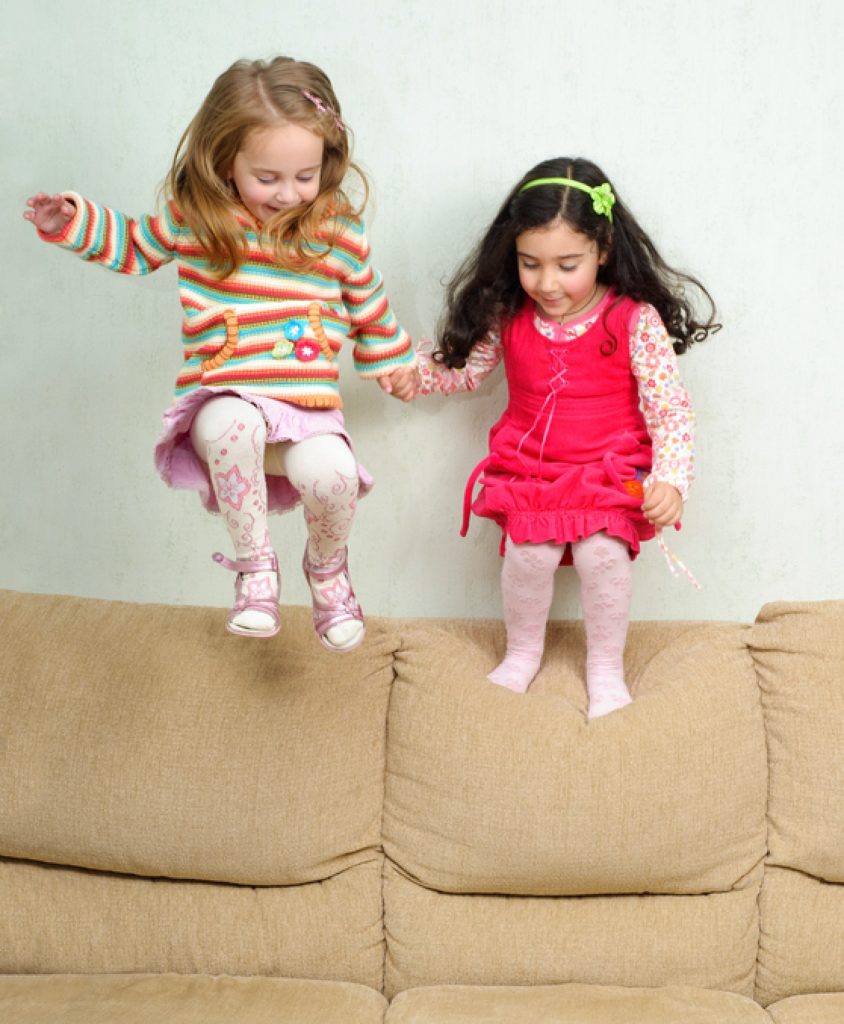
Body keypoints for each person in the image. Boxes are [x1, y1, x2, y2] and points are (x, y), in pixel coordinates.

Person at [24, 56, 415, 653]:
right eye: (267, 178)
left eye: (305, 176)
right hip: (224, 394)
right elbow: (134, 246)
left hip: (304, 408)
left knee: (333, 476)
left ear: (326, 163)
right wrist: (74, 223)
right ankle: (255, 570)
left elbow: (369, 305)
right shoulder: (199, 220)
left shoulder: (338, 230)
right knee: (233, 421)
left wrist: (394, 363)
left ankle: (328, 571)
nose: (288, 194)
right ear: (223, 160)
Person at [385, 157, 719, 718]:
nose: (547, 283)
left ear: (603, 250)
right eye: (530, 264)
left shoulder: (633, 320)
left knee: (600, 554)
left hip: (608, 469)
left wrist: (671, 480)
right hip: (533, 471)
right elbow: (465, 371)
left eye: (568, 265)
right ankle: (522, 654)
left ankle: (605, 669)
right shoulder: (510, 316)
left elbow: (670, 411)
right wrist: (410, 373)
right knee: (529, 556)